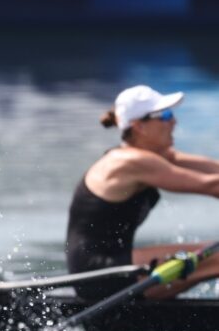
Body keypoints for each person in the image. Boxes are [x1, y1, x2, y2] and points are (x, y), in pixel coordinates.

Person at [65, 85, 219, 301]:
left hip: (115, 267)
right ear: (140, 127)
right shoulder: (131, 162)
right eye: (164, 115)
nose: (173, 121)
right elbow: (212, 186)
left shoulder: (154, 156)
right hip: (100, 273)